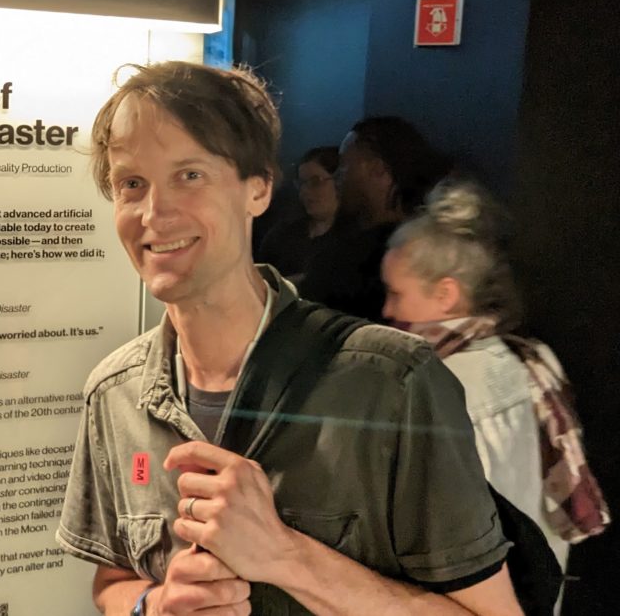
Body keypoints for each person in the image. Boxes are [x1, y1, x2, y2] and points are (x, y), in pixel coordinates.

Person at [56, 61, 523, 615]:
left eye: (190, 175)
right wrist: (153, 605)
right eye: (132, 184)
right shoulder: (115, 393)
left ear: (258, 189)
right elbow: (111, 582)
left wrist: (283, 555)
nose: (155, 213)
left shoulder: (392, 383)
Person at [382, 180, 611, 579]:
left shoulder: (436, 390)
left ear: (445, 295)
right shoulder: (533, 360)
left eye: (396, 294)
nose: (385, 309)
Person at [297, 116, 451, 320]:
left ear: (378, 169)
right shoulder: (442, 246)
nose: (337, 178)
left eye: (344, 166)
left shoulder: (347, 260)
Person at [256, 146, 340, 283]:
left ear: (339, 180)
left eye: (315, 182)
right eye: (302, 183)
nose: (305, 191)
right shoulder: (281, 234)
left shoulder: (352, 241)